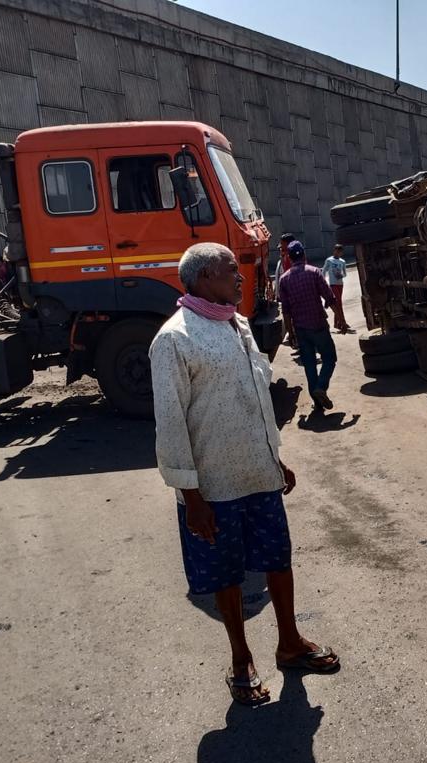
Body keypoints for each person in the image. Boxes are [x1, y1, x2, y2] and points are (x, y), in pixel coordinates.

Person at [149, 242, 340, 706]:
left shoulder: (238, 324)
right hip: (213, 487)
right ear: (203, 279)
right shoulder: (173, 340)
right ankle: (241, 660)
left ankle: (290, 643)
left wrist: (275, 457)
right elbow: (170, 423)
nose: (240, 278)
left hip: (259, 474)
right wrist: (191, 496)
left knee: (278, 559)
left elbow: (257, 398)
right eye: (230, 271)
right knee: (226, 574)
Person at [277, 240, 337, 411]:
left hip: (300, 329)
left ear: (289, 257)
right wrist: (340, 318)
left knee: (309, 364)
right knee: (329, 358)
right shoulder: (314, 272)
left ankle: (317, 402)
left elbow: (286, 310)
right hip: (318, 325)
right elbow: (329, 297)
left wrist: (290, 333)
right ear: (304, 254)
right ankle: (321, 387)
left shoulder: (284, 279)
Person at [273, 233, 297, 349]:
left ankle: (298, 342)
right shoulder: (283, 260)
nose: (280, 249)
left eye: (282, 246)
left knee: (295, 319)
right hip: (286, 294)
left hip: (292, 294)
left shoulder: (291, 258)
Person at [322, 244, 350, 333]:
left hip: (340, 284)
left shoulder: (342, 261)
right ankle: (343, 322)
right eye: (336, 251)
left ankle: (336, 323)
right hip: (333, 284)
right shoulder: (329, 260)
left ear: (341, 253)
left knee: (338, 303)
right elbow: (323, 271)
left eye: (340, 252)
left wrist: (341, 275)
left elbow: (345, 274)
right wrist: (324, 281)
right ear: (334, 251)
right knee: (338, 303)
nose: (337, 253)